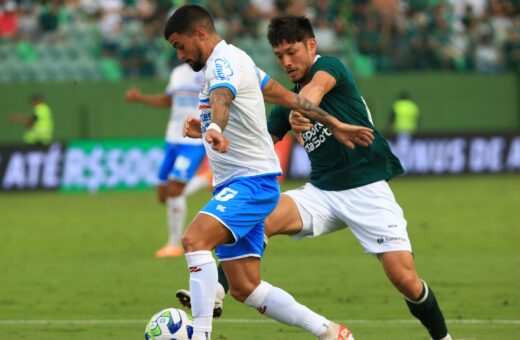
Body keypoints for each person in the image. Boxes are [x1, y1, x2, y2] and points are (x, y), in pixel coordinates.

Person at [177, 15, 452, 340]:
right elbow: (258, 142)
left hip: (367, 190)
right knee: (255, 220)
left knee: (404, 278)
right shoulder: (285, 104)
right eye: (279, 56)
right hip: (321, 193)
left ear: (311, 45)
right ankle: (219, 291)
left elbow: (315, 91)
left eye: (292, 52)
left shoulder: (330, 67)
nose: (286, 61)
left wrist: (300, 111)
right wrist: (210, 132)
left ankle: (443, 338)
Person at [163, 5, 374, 340]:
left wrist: (215, 123)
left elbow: (222, 97)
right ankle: (329, 332)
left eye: (179, 45)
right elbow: (288, 97)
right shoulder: (238, 60)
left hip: (252, 183)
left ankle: (199, 335)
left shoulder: (221, 63)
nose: (179, 55)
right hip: (239, 183)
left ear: (199, 34)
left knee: (194, 239)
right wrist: (334, 123)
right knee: (245, 287)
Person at [125, 63, 206, 258]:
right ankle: (203, 180)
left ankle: (174, 244)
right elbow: (167, 100)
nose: (180, 53)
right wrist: (140, 98)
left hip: (194, 140)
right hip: (172, 139)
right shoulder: (178, 73)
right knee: (164, 194)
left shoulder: (210, 71)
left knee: (175, 188)